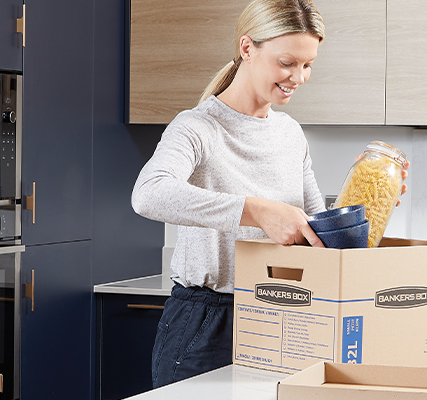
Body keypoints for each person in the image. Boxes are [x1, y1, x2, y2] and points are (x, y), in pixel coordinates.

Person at [130, 0, 328, 388]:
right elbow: (148, 194)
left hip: (285, 316)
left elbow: (317, 229)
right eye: (287, 62)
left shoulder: (290, 134)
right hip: (207, 323)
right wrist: (255, 211)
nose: (299, 77)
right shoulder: (198, 127)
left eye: (308, 65)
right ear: (247, 48)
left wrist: (370, 200)